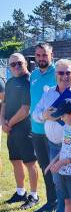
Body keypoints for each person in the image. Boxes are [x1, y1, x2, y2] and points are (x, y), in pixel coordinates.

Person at [33, 59, 71, 212]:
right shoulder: (49, 92)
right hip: (54, 146)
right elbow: (35, 114)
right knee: (59, 183)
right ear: (55, 74)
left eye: (68, 73)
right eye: (61, 73)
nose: (65, 76)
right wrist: (44, 115)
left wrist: (62, 111)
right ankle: (61, 209)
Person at [1, 53, 39, 209]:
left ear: (26, 64)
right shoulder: (9, 82)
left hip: (25, 128)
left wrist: (8, 123)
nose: (16, 67)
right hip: (11, 129)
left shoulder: (30, 82)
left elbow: (25, 109)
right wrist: (2, 121)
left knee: (30, 162)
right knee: (15, 160)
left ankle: (34, 195)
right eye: (13, 64)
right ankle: (20, 192)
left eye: (19, 63)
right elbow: (4, 103)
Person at [45, 99, 71, 212]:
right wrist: (53, 162)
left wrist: (64, 162)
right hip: (62, 172)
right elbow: (64, 149)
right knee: (67, 201)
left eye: (63, 116)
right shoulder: (66, 127)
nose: (61, 119)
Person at [30, 42, 57, 212]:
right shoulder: (33, 74)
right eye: (38, 55)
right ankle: (51, 201)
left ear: (51, 55)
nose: (41, 58)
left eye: (44, 55)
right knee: (45, 167)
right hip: (36, 130)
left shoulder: (58, 73)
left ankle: (63, 202)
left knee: (57, 168)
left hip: (52, 131)